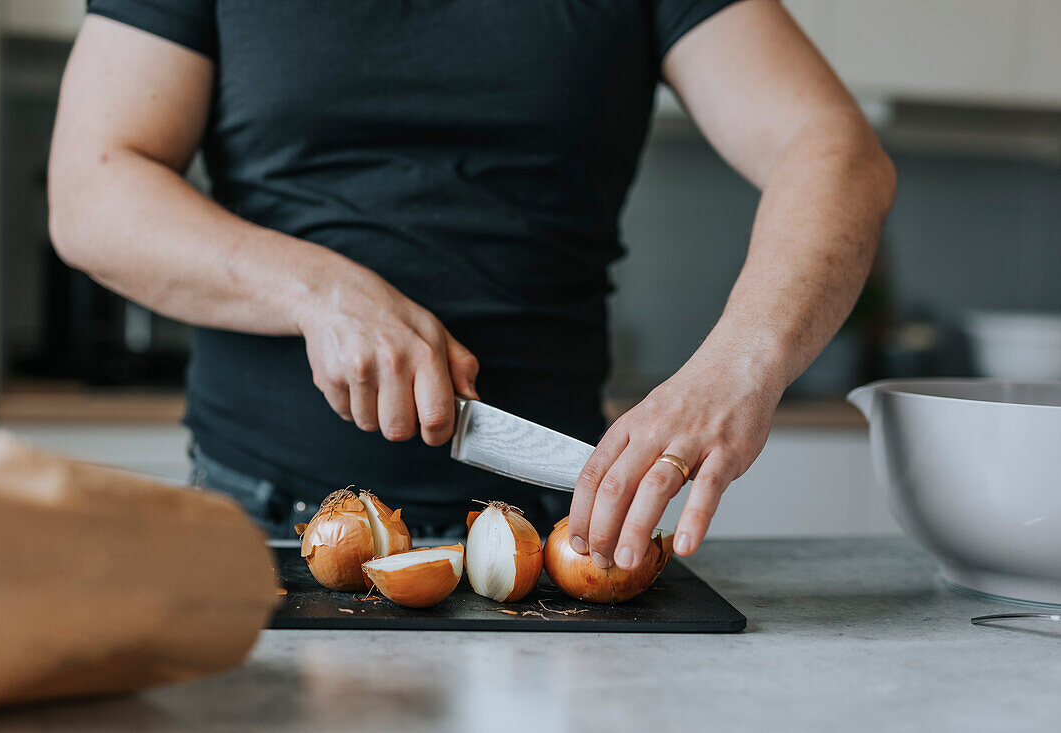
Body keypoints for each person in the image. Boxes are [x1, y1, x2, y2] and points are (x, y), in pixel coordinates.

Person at [48, 0, 895, 570]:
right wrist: (315, 289)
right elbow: (91, 187)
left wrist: (739, 367)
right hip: (257, 526)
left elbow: (833, 149)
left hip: (555, 545)